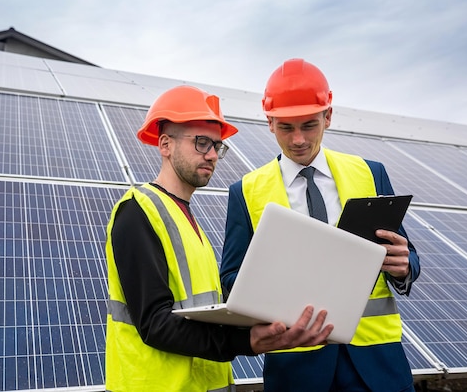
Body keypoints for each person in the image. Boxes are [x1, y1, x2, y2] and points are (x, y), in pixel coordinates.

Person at [105, 84, 334, 392]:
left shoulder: (186, 220)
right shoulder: (138, 211)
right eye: (201, 143)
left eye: (217, 146)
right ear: (165, 144)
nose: (212, 155)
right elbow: (155, 324)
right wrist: (246, 340)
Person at [220, 59, 420, 392]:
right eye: (285, 127)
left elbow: (407, 256)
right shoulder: (245, 192)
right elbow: (231, 280)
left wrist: (404, 266)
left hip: (377, 366)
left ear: (328, 116)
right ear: (269, 122)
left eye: (309, 125)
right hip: (296, 369)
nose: (298, 139)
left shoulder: (371, 174)